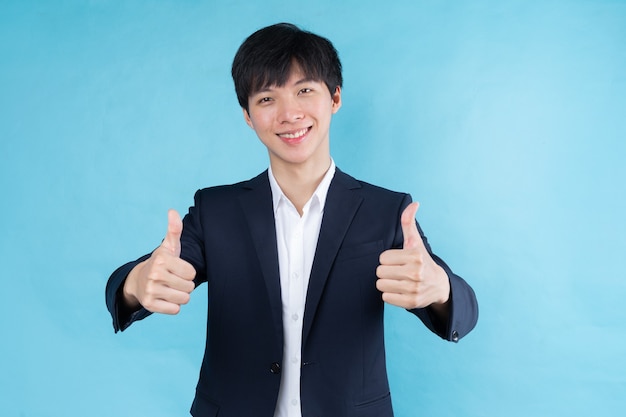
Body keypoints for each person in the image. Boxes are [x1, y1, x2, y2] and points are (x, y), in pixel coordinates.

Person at [105, 22, 478, 417]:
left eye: (304, 91)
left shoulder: (386, 211)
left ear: (334, 97)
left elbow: (463, 311)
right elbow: (147, 277)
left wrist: (440, 287)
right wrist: (138, 282)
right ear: (248, 116)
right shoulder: (217, 211)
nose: (289, 113)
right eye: (266, 99)